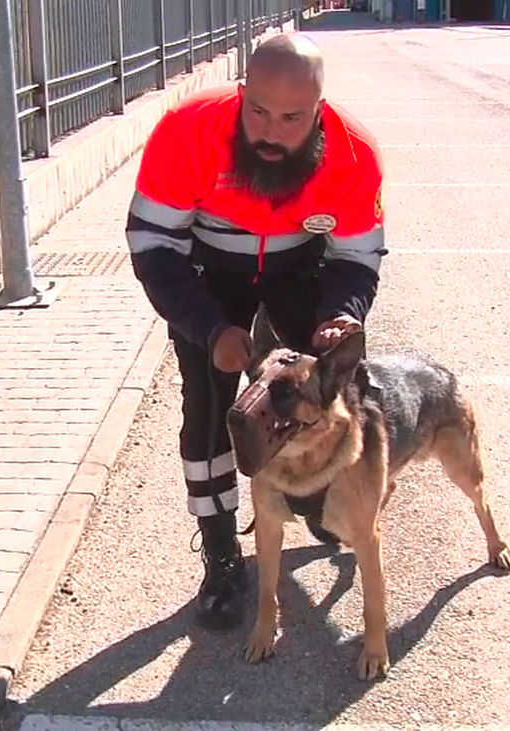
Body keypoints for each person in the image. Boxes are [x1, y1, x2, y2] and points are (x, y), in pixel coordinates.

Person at [124, 32, 388, 632]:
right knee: (213, 405)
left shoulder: (355, 155)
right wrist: (209, 327)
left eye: (293, 118)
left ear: (320, 112)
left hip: (301, 267)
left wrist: (341, 312)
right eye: (259, 111)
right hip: (207, 271)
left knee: (332, 391)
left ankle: (319, 501)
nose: (271, 132)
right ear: (241, 94)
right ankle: (220, 552)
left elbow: (356, 259)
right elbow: (153, 244)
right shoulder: (186, 131)